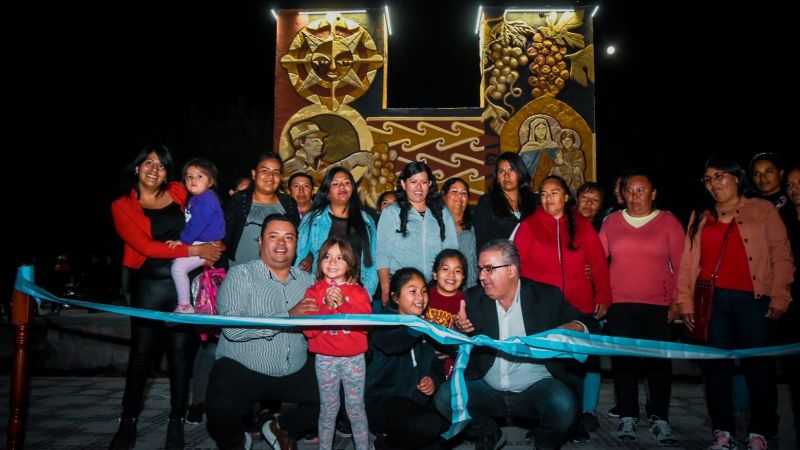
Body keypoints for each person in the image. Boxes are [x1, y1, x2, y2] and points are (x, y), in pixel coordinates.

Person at [435, 239, 600, 450]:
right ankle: (488, 432)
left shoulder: (545, 296)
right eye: (480, 269)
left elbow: (591, 324)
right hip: (488, 389)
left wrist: (574, 327)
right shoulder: (473, 298)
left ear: (512, 270)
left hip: (536, 389)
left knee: (563, 404)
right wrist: (459, 330)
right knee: (445, 396)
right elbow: (455, 345)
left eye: (489, 269)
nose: (481, 276)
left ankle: (546, 444)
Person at [676, 157, 794, 450]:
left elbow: (781, 254)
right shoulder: (700, 215)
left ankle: (761, 432)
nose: (713, 183)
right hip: (713, 302)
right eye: (708, 179)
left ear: (737, 177)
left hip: (754, 300)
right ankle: (723, 432)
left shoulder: (763, 209)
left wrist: (781, 295)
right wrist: (685, 302)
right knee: (716, 370)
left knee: (760, 368)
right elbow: (688, 262)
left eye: (719, 176)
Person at [109, 145, 222, 450]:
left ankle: (176, 421)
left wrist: (214, 245)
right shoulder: (122, 206)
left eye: (161, 165)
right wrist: (195, 249)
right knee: (141, 356)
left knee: (180, 357)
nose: (154, 169)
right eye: (148, 163)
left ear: (167, 173)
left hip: (181, 285)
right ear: (137, 167)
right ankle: (128, 421)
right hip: (148, 285)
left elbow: (207, 209)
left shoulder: (179, 191)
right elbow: (146, 247)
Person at [205, 213, 320, 450]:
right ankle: (237, 441)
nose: (281, 243)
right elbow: (233, 329)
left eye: (289, 237)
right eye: (273, 236)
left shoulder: (309, 282)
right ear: (260, 242)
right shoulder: (240, 275)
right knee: (219, 408)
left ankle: (283, 427)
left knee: (342, 390)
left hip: (293, 367)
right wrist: (287, 317)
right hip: (244, 367)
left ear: (296, 244)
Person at [513, 175, 611, 442]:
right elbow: (517, 267)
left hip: (578, 309)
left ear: (566, 197)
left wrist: (603, 295)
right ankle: (544, 422)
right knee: (544, 370)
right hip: (541, 310)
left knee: (575, 369)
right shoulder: (529, 226)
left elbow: (598, 262)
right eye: (543, 194)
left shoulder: (582, 225)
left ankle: (575, 422)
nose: (548, 199)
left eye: (554, 193)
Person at [598, 172, 684, 445]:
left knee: (658, 364)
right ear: (622, 194)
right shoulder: (612, 222)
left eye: (641, 190)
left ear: (653, 193)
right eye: (629, 191)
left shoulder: (669, 222)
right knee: (624, 364)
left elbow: (682, 265)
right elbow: (598, 261)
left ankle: (659, 417)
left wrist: (678, 300)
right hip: (620, 304)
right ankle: (628, 415)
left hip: (658, 305)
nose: (635, 196)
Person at [366, 267, 449, 450]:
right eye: (413, 291)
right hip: (383, 401)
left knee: (446, 427)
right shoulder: (383, 322)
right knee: (427, 426)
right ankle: (383, 444)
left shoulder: (425, 326)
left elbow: (437, 365)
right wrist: (418, 327)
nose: (421, 297)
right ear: (396, 297)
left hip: (416, 402)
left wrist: (433, 380)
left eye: (424, 291)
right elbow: (392, 344)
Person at [302, 238, 371, 450]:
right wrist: (325, 307)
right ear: (320, 261)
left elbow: (366, 326)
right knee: (328, 409)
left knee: (356, 409)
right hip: (325, 360)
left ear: (350, 263)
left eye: (340, 258)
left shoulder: (359, 292)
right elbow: (309, 331)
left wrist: (343, 305)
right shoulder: (313, 292)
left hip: (354, 360)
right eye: (327, 257)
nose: (332, 262)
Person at [375, 161, 459, 305]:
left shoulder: (442, 211)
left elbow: (451, 250)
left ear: (430, 184)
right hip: (403, 286)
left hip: (435, 287)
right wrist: (385, 288)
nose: (419, 187)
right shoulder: (391, 212)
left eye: (423, 182)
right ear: (404, 184)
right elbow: (382, 253)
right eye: (413, 182)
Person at [296, 168, 378, 296]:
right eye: (335, 183)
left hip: (356, 294)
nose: (342, 186)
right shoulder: (313, 219)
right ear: (327, 193)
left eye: (346, 182)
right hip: (320, 293)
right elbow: (299, 257)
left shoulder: (367, 221)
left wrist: (365, 295)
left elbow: (373, 263)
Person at [167, 158, 225, 314]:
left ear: (210, 181)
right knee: (177, 263)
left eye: (200, 176)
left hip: (205, 243)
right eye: (189, 177)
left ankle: (184, 305)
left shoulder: (205, 200)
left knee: (178, 268)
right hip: (202, 242)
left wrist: (183, 241)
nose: (193, 180)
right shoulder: (198, 198)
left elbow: (198, 224)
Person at [224, 152, 300, 267]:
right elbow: (224, 235)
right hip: (240, 270)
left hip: (277, 271)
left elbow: (296, 237)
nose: (270, 176)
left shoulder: (289, 203)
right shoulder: (239, 200)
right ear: (254, 174)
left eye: (276, 172)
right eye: (265, 171)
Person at [473, 152, 537, 251]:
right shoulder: (487, 202)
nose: (506, 175)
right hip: (499, 258)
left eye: (511, 170)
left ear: (520, 174)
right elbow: (480, 240)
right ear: (497, 178)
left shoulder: (535, 201)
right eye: (501, 171)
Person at [283, 121, 373, 186]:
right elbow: (314, 181)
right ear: (301, 142)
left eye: (321, 139)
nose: (321, 143)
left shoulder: (323, 166)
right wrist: (352, 160)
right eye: (315, 140)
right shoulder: (290, 165)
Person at [424, 248, 468, 380]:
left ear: (463, 277)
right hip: (423, 355)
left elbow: (468, 339)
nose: (451, 275)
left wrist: (451, 352)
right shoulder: (423, 296)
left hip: (450, 360)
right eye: (445, 269)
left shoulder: (466, 302)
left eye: (458, 271)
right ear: (435, 274)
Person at [780, 164, 800, 447]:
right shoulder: (782, 219)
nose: (794, 189)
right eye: (791, 184)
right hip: (792, 309)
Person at [442, 178, 478, 289]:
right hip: (440, 289)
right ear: (444, 196)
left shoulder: (474, 227)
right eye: (454, 191)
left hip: (468, 289)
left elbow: (473, 264)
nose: (459, 196)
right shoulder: (434, 226)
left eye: (464, 193)